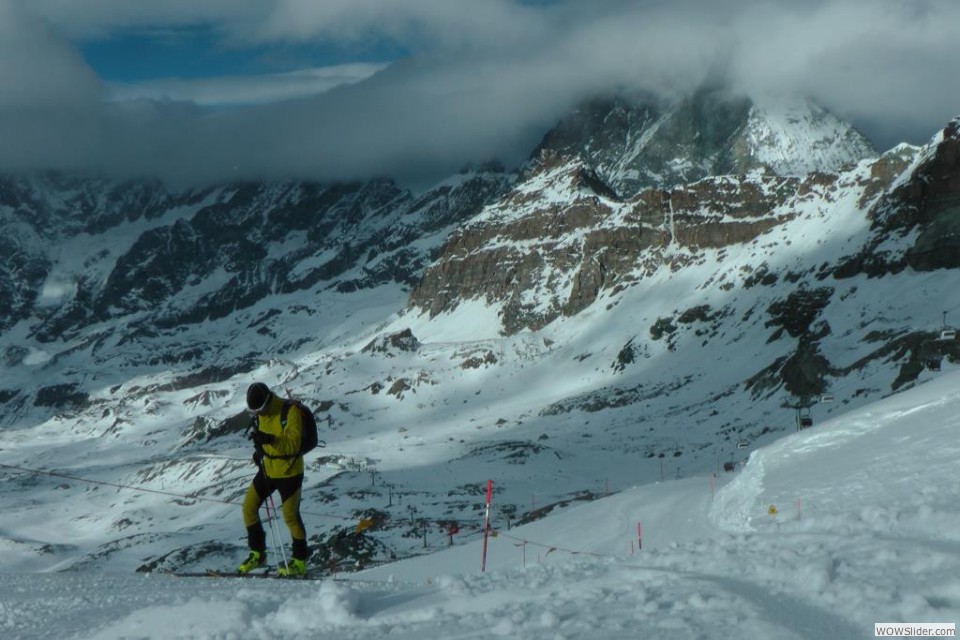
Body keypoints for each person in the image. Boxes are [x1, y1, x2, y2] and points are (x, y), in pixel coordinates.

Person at [237, 382, 309, 577]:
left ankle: (300, 561)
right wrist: (260, 451)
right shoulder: (261, 416)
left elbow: (294, 444)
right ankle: (257, 553)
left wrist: (270, 440)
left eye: (260, 410)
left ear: (268, 401)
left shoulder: (289, 411)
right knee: (248, 508)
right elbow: (263, 438)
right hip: (268, 469)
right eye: (254, 412)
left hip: (290, 472)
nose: (258, 414)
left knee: (290, 516)